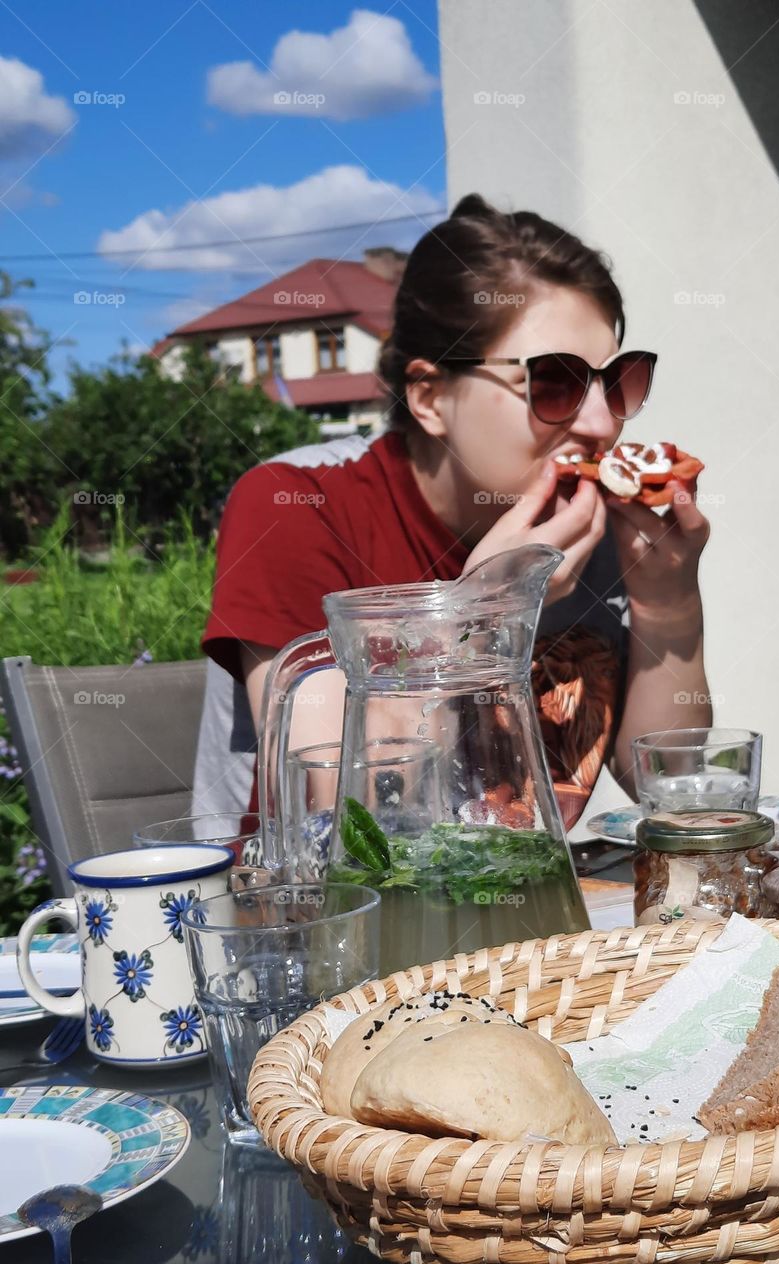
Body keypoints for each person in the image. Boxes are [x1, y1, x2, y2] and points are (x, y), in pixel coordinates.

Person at [196, 194, 711, 820]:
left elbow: (671, 785)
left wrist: (670, 604)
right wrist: (480, 619)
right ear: (431, 398)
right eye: (554, 381)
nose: (602, 422)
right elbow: (347, 814)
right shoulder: (299, 506)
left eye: (618, 380)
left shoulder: (585, 529)